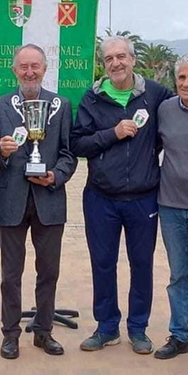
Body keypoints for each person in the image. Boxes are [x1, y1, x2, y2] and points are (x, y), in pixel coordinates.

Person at [71, 36, 172, 355]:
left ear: (133, 59)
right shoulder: (93, 97)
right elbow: (78, 144)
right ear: (104, 64)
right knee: (103, 263)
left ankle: (138, 328)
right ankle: (106, 327)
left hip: (144, 198)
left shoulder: (155, 94)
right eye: (109, 58)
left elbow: (174, 120)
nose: (115, 63)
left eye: (121, 57)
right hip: (101, 197)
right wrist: (111, 134)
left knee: (142, 264)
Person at [0, 44, 77, 359]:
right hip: (10, 200)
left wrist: (55, 175)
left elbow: (68, 153)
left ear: (44, 68)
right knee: (11, 274)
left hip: (49, 200)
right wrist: (1, 151)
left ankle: (44, 331)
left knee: (48, 271)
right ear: (14, 69)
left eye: (35, 66)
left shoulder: (61, 105)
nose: (29, 72)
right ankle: (10, 335)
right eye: (23, 66)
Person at [154, 55, 188, 360]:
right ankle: (180, 334)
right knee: (179, 274)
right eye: (182, 78)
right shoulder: (165, 110)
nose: (187, 84)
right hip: (172, 206)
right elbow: (154, 146)